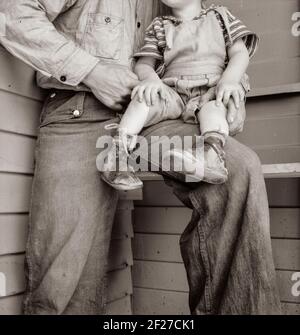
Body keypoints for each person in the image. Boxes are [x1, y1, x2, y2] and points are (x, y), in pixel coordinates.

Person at [0, 0, 281, 315]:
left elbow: (212, 53)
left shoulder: (175, 6)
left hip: (157, 117)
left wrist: (229, 92)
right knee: (65, 275)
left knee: (238, 168)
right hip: (80, 110)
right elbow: (10, 14)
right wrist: (92, 71)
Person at [102, 0, 257, 191]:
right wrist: (151, 80)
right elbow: (144, 64)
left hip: (209, 90)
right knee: (143, 98)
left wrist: (230, 80)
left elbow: (240, 53)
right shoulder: (159, 25)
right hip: (172, 90)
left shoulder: (220, 17)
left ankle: (210, 155)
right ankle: (117, 156)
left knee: (215, 108)